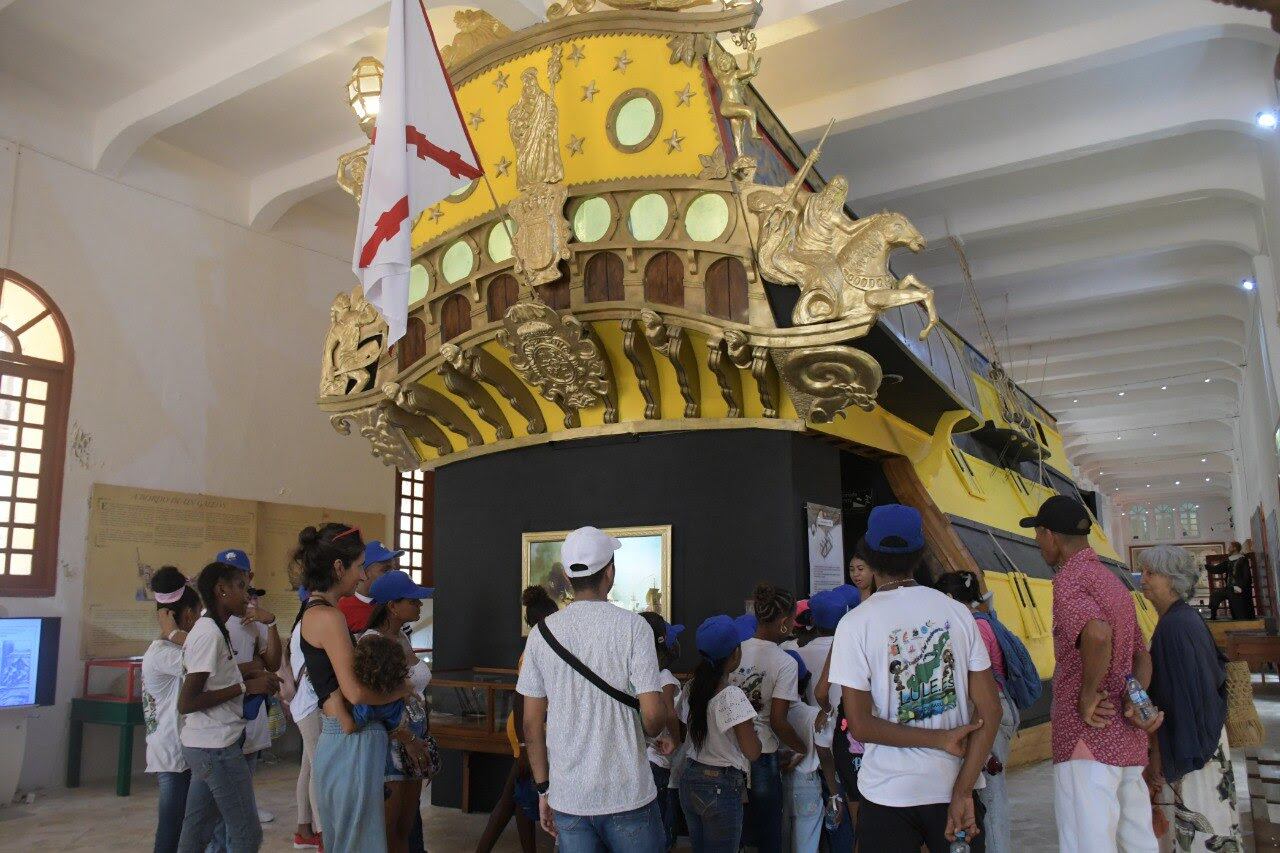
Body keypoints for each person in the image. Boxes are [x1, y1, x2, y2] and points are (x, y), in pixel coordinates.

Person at [828, 504, 1000, 853]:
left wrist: (941, 739)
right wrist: (963, 790)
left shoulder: (854, 624)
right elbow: (991, 712)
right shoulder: (958, 613)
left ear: (868, 556)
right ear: (920, 553)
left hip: (886, 793)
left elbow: (858, 725)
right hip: (952, 786)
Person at [517, 525, 678, 852]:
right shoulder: (634, 627)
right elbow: (651, 713)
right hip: (627, 793)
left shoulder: (542, 634)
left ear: (566, 574)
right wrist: (655, 733)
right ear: (610, 573)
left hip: (570, 797)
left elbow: (531, 725)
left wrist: (544, 789)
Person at [1022, 495, 1162, 853]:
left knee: (1088, 842)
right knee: (1138, 840)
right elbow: (1140, 655)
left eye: (1038, 535)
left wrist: (1088, 694)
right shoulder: (1112, 582)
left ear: (1050, 535)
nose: (1038, 543)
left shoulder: (1070, 580)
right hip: (1127, 742)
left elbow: (1097, 633)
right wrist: (1137, 697)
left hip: (1087, 739)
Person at [298, 524, 408, 853]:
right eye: (360, 566)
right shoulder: (328, 617)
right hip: (349, 744)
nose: (362, 576)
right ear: (338, 567)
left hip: (343, 737)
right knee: (358, 843)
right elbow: (356, 692)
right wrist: (401, 690)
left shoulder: (316, 611)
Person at [1137, 545, 1242, 851]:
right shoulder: (1179, 620)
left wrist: (1164, 757)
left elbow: (1184, 699)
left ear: (1172, 579)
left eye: (1151, 573)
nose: (1142, 578)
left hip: (1192, 750)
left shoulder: (1176, 626)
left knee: (1200, 831)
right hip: (1198, 742)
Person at [175, 561, 280, 852]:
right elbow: (188, 701)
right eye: (241, 587)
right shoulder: (209, 633)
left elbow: (217, 680)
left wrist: (251, 675)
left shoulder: (216, 629)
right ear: (221, 590)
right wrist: (245, 687)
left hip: (207, 743)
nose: (247, 596)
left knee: (197, 830)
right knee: (246, 834)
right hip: (216, 746)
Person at [934, 571, 1018, 853]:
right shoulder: (983, 620)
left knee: (989, 796)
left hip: (986, 711)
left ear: (948, 598)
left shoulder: (974, 626)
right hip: (993, 707)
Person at [477, 586, 560, 853]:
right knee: (514, 794)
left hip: (532, 729)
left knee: (519, 795)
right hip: (528, 731)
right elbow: (521, 698)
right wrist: (525, 746)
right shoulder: (535, 649)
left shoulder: (541, 644)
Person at [361, 570, 436, 853]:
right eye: (413, 600)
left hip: (412, 744)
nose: (419, 605)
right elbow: (372, 703)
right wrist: (408, 738)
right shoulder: (371, 642)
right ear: (392, 606)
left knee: (405, 827)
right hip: (391, 744)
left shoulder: (401, 637)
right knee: (390, 830)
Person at [731, 582, 806, 852]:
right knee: (767, 836)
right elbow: (778, 721)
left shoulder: (736, 650)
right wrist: (801, 747)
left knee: (737, 832)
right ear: (784, 622)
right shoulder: (784, 662)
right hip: (763, 754)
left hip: (731, 750)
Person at [211, 548, 282, 828]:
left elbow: (273, 663)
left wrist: (272, 623)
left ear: (249, 579)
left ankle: (245, 809)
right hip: (219, 709)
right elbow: (206, 674)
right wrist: (250, 669)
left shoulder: (253, 618)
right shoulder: (208, 620)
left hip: (250, 707)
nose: (234, 587)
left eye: (240, 580)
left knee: (247, 764)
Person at [678, 615, 761, 852]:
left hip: (690, 776)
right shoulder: (731, 696)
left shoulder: (692, 687)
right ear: (735, 654)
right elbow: (753, 752)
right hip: (720, 785)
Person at [142, 567, 202, 853]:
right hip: (171, 753)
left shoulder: (171, 650)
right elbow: (203, 657)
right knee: (171, 826)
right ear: (187, 615)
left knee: (185, 825)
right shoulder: (163, 653)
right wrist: (175, 633)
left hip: (181, 749)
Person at [640, 611, 683, 850]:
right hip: (658, 760)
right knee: (661, 828)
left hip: (640, 756)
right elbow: (668, 712)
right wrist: (674, 740)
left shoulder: (634, 673)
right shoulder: (664, 676)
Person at [287, 589, 323, 850]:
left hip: (305, 704)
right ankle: (322, 831)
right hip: (310, 705)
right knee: (319, 769)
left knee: (310, 767)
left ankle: (304, 828)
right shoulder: (310, 624)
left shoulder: (302, 623)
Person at [339, 540, 403, 634]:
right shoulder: (342, 610)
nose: (393, 574)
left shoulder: (395, 606)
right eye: (385, 570)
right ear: (362, 573)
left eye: (394, 569)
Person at [1224, 542, 1255, 620]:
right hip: (1230, 588)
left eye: (1230, 546)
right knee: (1234, 609)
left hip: (1240, 588)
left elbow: (1246, 575)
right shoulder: (1228, 560)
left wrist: (1240, 587)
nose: (1228, 548)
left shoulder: (1242, 559)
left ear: (1235, 548)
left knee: (1242, 609)